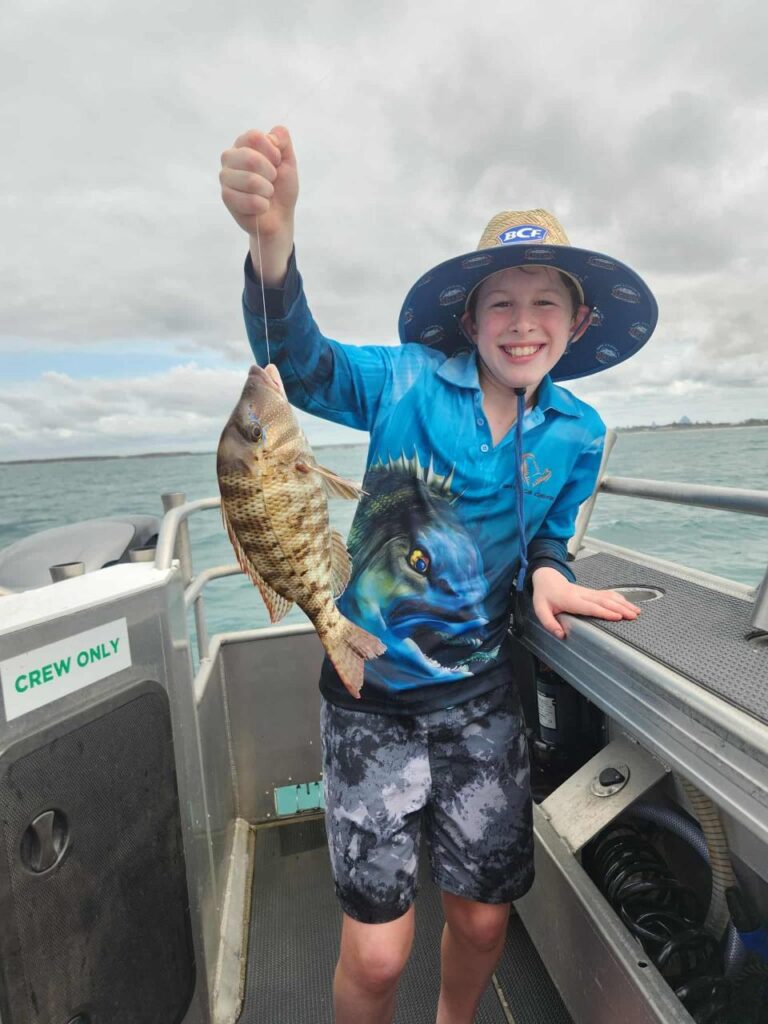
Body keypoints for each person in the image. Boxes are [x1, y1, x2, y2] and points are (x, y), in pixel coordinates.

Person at [219, 126, 657, 1024]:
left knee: (484, 920)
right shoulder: (405, 382)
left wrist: (548, 573)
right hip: (368, 694)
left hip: (482, 700)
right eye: (502, 303)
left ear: (577, 325)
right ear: (469, 320)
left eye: (546, 303)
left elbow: (551, 536)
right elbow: (299, 362)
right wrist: (273, 238)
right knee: (377, 959)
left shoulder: (577, 433)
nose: (523, 323)